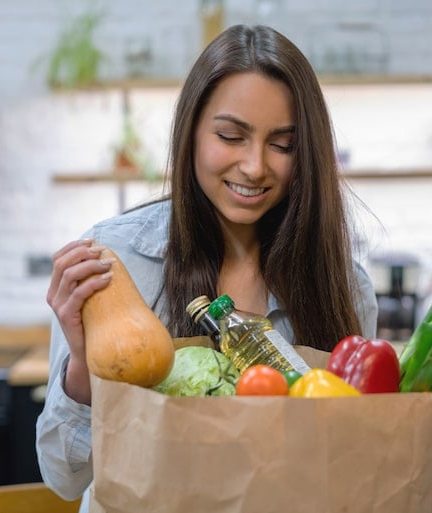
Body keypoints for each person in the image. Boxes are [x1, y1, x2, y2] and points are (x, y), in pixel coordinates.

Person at [36, 24, 378, 510]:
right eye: (231, 136)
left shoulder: (346, 288)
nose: (255, 166)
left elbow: (349, 471)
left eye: (282, 144)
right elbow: (64, 479)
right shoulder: (114, 263)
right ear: (191, 133)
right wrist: (81, 364)